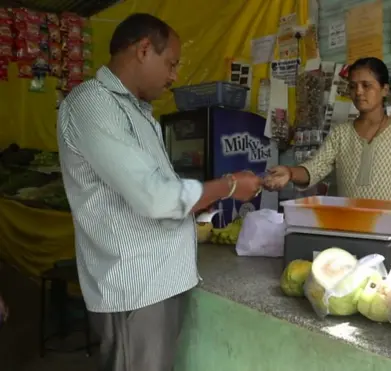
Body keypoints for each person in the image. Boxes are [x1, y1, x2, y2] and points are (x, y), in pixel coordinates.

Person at [57, 13, 262, 371]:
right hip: (134, 288)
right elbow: (155, 197)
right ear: (143, 50)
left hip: (158, 282)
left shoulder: (136, 111)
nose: (174, 76)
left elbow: (157, 192)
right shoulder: (93, 104)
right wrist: (228, 186)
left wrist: (199, 203)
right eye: (171, 64)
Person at [265, 57, 391, 208]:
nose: (358, 92)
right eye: (353, 86)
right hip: (348, 228)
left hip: (390, 232)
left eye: (366, 85)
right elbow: (314, 168)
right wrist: (290, 172)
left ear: (384, 90)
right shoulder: (341, 133)